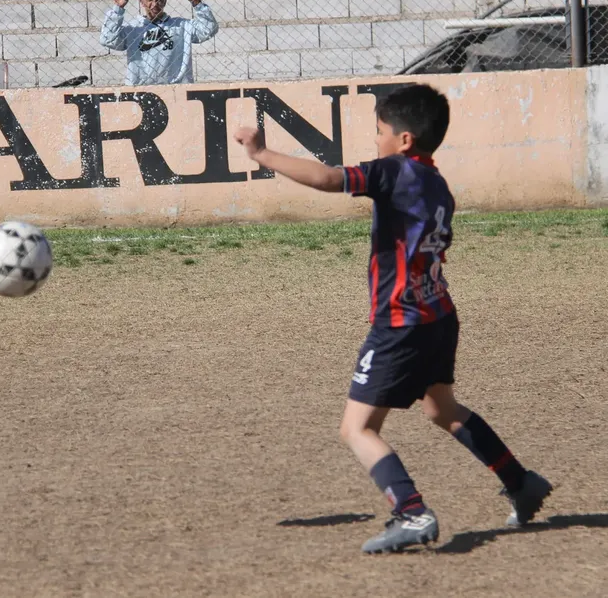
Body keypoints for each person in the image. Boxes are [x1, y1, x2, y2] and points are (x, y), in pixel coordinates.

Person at [233, 84, 553, 554]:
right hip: (438, 313)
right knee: (442, 409)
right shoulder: (438, 183)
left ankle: (411, 512)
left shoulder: (392, 172)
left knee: (357, 428)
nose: (376, 140)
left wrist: (262, 153)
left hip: (401, 323)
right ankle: (519, 482)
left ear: (403, 140)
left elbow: (326, 179)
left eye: (380, 131)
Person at [99, 0, 218, 86]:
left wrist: (196, 3)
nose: (155, 4)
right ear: (142, 2)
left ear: (165, 2)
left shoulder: (181, 26)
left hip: (176, 89)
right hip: (139, 90)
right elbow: (107, 39)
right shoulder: (134, 28)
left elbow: (209, 29)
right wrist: (118, 9)